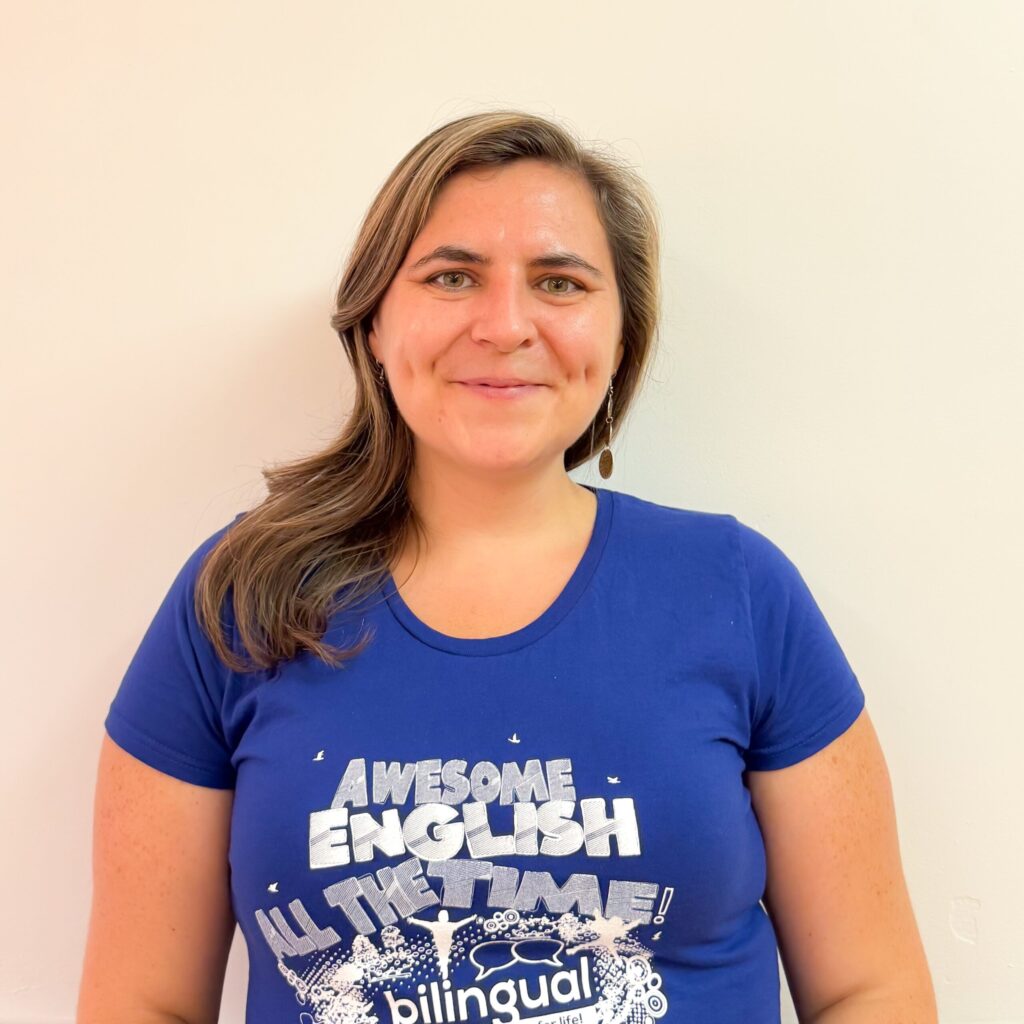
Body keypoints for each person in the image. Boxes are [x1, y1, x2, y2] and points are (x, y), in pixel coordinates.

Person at [78, 110, 937, 1024]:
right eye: (452, 277)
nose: (506, 325)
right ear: (375, 324)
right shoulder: (243, 596)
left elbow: (869, 991)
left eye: (560, 283)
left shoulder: (736, 590)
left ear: (620, 338)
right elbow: (142, 1003)